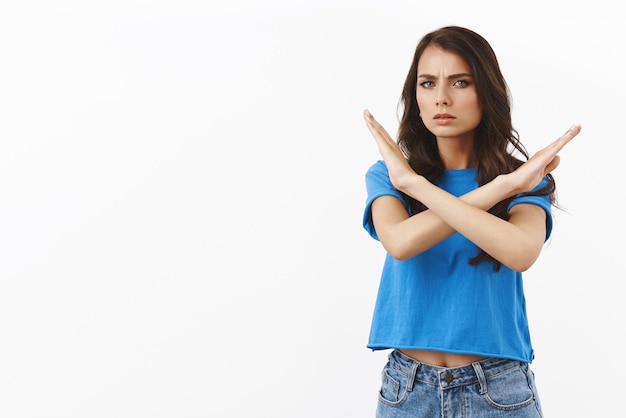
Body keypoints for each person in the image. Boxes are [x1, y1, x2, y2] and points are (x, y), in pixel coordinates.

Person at [362, 25, 580, 417]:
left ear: (486, 91)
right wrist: (502, 186)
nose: (441, 98)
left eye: (460, 82)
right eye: (427, 83)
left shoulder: (528, 180)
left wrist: (505, 184)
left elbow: (520, 251)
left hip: (497, 390)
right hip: (407, 390)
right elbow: (399, 241)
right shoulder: (390, 176)